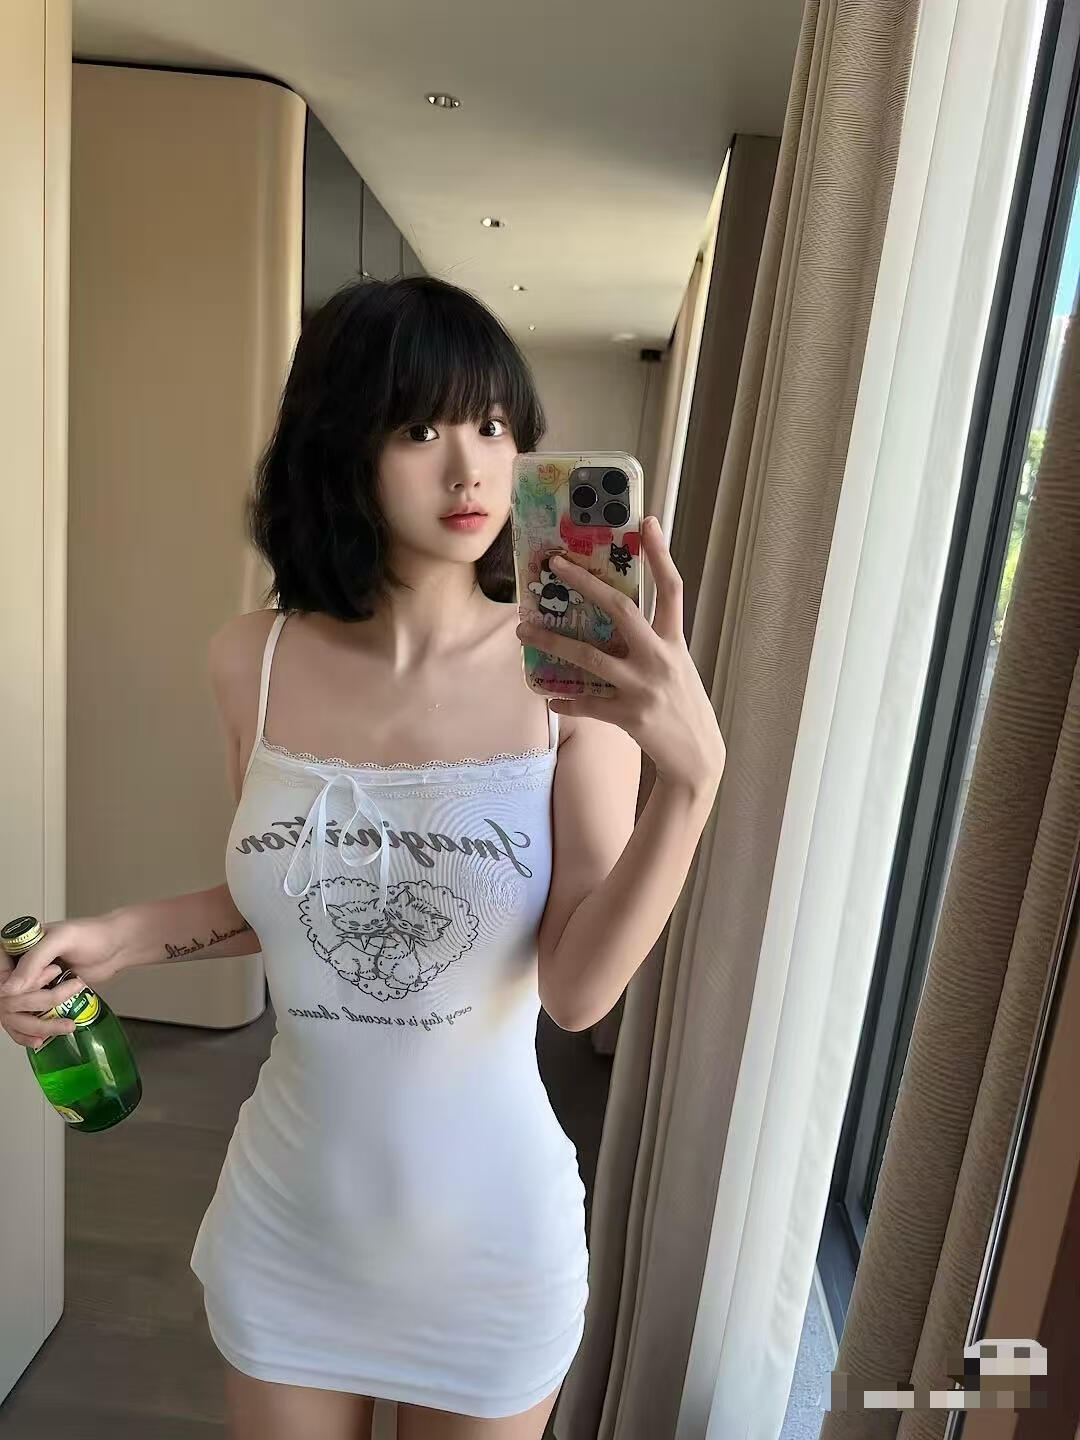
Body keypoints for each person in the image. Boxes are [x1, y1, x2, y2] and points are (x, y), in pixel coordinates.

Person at [0, 276, 726, 1440]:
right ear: (343, 444)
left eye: (493, 425)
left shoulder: (568, 680)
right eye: (420, 428)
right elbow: (293, 895)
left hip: (490, 1251)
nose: (470, 468)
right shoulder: (252, 660)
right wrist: (118, 938)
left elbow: (580, 987)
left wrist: (691, 785)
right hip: (288, 1229)